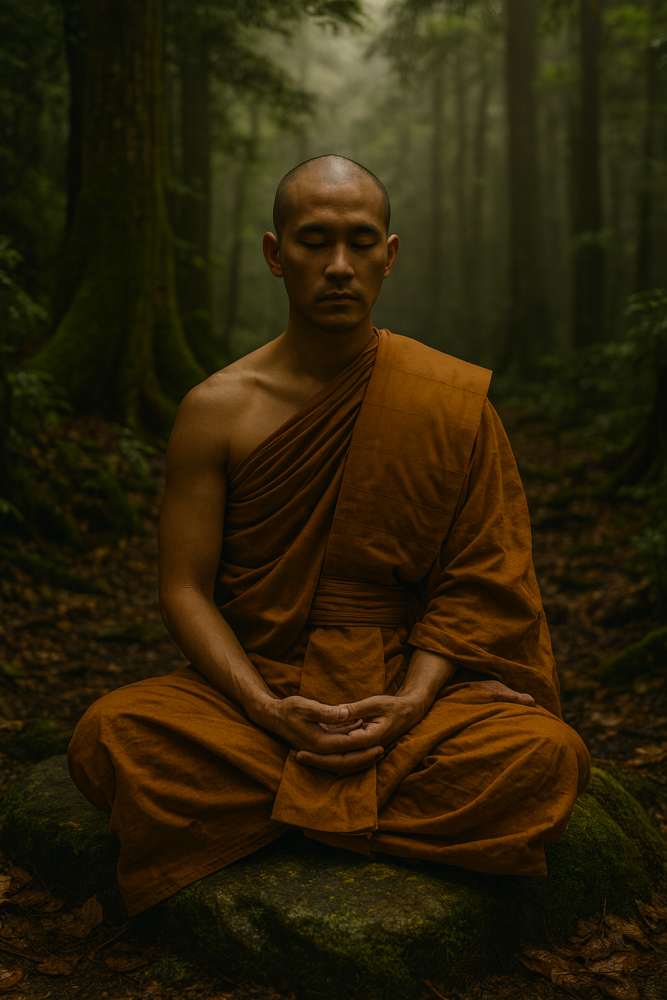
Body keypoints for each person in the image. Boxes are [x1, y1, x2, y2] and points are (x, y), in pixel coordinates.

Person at [68, 154, 591, 917]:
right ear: (275, 255)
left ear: (390, 253)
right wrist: (265, 709)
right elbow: (183, 586)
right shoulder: (215, 408)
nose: (339, 265)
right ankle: (374, 814)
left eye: (360, 240)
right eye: (314, 241)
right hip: (264, 686)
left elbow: (481, 576)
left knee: (546, 756)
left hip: (404, 690)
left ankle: (272, 816)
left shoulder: (448, 400)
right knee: (110, 737)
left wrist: (412, 701)